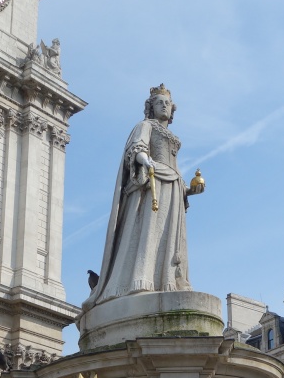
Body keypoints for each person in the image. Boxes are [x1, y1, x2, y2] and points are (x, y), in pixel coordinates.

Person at [82, 84, 204, 311]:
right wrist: (145, 161)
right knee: (150, 231)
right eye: (160, 102)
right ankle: (143, 279)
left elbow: (173, 165)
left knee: (169, 238)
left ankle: (168, 280)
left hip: (173, 185)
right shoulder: (144, 126)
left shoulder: (171, 135)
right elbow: (136, 148)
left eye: (167, 103)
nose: (164, 106)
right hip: (152, 182)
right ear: (150, 107)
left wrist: (188, 189)